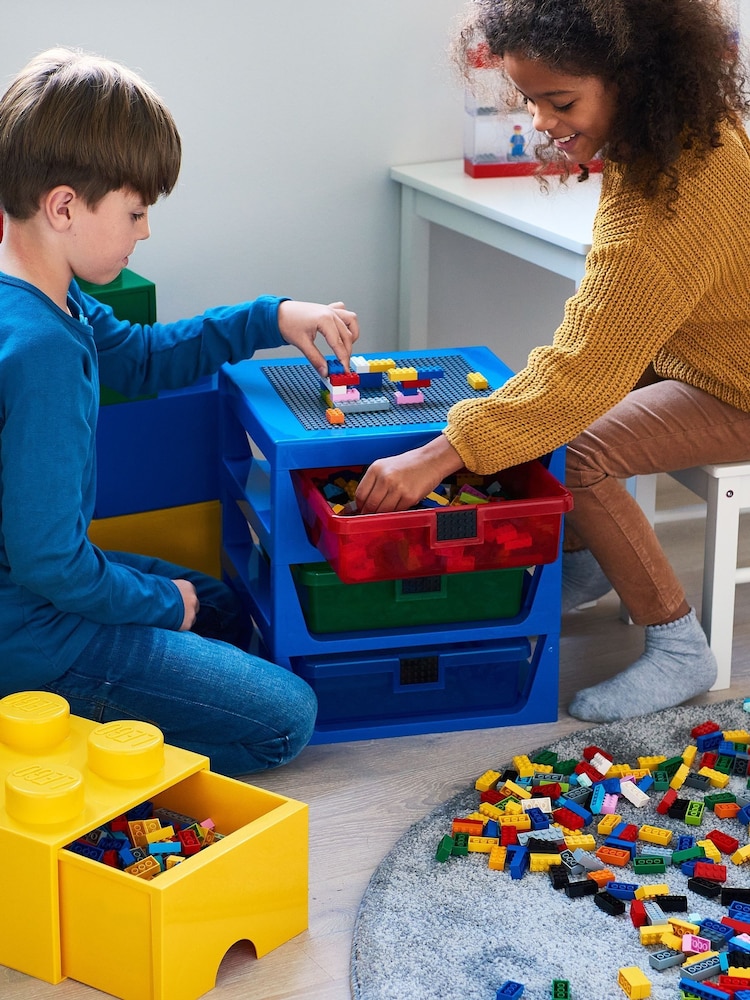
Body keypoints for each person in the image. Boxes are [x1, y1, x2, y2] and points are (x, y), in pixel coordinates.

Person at [356, 0, 750, 723]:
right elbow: (597, 346)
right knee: (549, 408)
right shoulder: (682, 136)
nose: (541, 122)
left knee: (581, 440)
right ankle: (589, 558)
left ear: (635, 78)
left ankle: (678, 645)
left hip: (738, 381)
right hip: (705, 350)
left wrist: (442, 454)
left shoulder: (670, 202)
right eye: (530, 100)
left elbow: (581, 371)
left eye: (559, 101)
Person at [0, 47, 360, 776]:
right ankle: (49, 740)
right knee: (286, 720)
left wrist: (272, 315)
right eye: (135, 212)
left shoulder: (46, 294)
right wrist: (163, 606)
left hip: (34, 592)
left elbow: (142, 356)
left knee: (220, 604)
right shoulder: (41, 351)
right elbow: (52, 565)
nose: (145, 232)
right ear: (64, 206)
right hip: (32, 632)